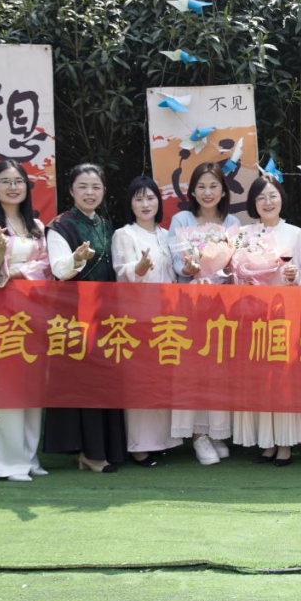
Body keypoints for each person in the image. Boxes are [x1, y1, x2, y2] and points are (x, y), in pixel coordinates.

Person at [0, 160, 52, 481]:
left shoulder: (36, 225)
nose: (13, 187)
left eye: (18, 181)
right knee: (6, 385)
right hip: (1, 311)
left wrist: (15, 270)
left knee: (33, 382)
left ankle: (30, 457)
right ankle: (9, 463)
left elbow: (46, 267)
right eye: (5, 181)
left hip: (33, 310)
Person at [44, 163, 127, 473]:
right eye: (83, 186)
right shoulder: (60, 226)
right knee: (83, 381)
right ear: (71, 190)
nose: (90, 193)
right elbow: (59, 269)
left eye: (96, 187)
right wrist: (76, 259)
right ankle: (89, 452)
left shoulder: (106, 224)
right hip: (74, 313)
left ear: (103, 191)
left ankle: (103, 448)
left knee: (105, 379)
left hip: (106, 313)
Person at [231, 175, 301, 467]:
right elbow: (235, 274)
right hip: (253, 316)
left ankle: (285, 443)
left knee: (283, 378)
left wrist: (293, 276)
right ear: (253, 203)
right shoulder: (243, 234)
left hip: (284, 314)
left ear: (282, 199)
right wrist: (244, 278)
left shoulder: (295, 233)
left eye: (273, 195)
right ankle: (265, 441)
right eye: (261, 197)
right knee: (259, 379)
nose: (268, 202)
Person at [166, 162, 240, 466]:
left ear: (223, 190)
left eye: (213, 186)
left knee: (219, 368)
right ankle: (198, 434)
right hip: (189, 304)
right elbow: (176, 263)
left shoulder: (232, 222)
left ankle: (217, 430)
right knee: (192, 368)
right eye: (201, 186)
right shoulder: (181, 219)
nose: (207, 192)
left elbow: (237, 264)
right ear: (192, 192)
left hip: (222, 307)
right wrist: (189, 268)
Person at [111, 176, 184, 467]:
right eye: (138, 198)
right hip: (138, 318)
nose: (145, 204)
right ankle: (139, 446)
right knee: (140, 382)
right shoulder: (124, 234)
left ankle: (162, 441)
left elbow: (177, 272)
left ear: (158, 201)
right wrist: (139, 267)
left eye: (150, 198)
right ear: (130, 204)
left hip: (168, 318)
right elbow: (121, 271)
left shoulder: (167, 235)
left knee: (162, 380)